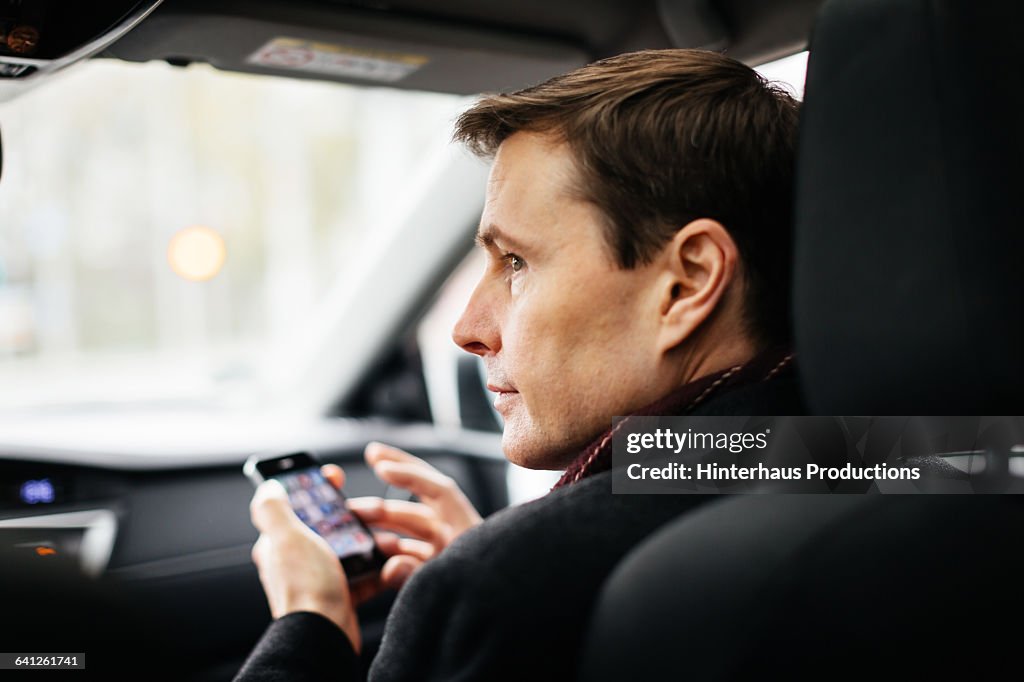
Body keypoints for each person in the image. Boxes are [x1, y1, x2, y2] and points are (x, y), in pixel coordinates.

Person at [235, 48, 803, 681]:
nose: (466, 331)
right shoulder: (900, 457)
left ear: (687, 283)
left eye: (516, 263)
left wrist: (310, 621)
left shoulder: (495, 592)